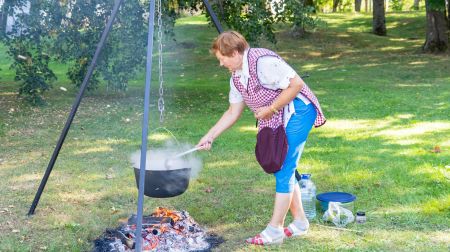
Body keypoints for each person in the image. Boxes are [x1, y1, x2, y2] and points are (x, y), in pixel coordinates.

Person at [196, 31, 326, 245]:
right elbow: (232, 112)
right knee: (283, 167)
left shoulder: (263, 61)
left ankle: (275, 230)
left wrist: (271, 108)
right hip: (277, 116)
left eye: (222, 59)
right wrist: (209, 136)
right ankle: (301, 222)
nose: (221, 64)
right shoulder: (237, 77)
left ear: (236, 52)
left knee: (284, 166)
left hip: (299, 110)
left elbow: (297, 84)